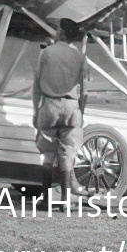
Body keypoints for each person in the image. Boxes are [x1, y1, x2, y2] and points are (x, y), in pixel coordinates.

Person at [34, 18, 89, 203]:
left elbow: (37, 85)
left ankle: (46, 199)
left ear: (62, 33)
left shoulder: (47, 53)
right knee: (67, 154)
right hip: (72, 105)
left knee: (48, 155)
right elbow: (85, 88)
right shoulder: (80, 57)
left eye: (58, 29)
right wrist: (81, 110)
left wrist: (36, 110)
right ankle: (66, 200)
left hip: (50, 105)